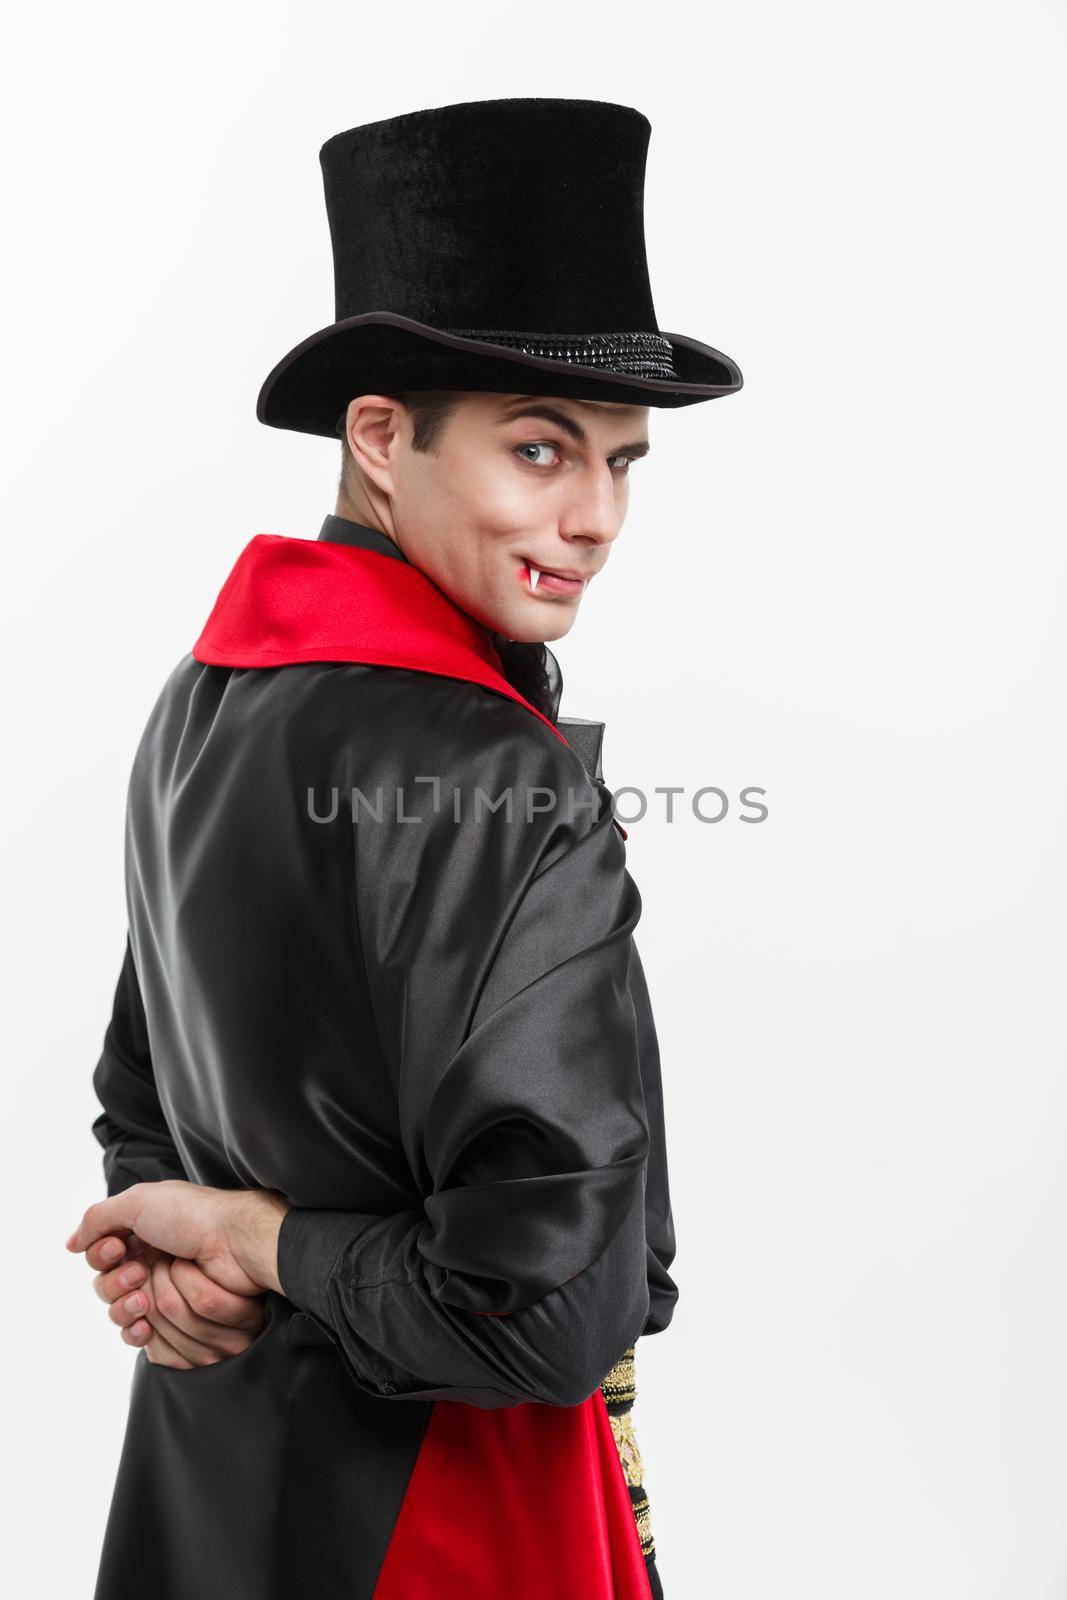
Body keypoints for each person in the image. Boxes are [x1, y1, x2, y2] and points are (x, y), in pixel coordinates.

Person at [65, 97, 742, 1600]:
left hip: (218, 1478)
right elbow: (543, 1320)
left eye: (623, 464)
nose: (595, 516)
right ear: (381, 439)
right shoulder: (492, 772)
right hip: (448, 1517)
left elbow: (139, 1102)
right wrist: (240, 1232)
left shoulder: (206, 700)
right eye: (541, 449)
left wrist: (186, 1255)